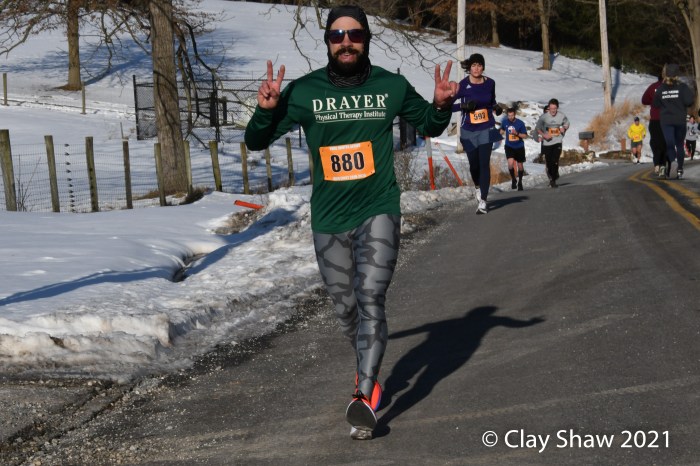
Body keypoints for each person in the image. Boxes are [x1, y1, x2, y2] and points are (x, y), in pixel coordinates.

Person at [244, 5, 458, 440]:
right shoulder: (304, 91)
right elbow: (255, 140)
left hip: (378, 207)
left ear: (366, 40)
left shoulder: (391, 86)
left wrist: (441, 105)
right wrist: (265, 110)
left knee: (371, 297)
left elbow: (430, 124)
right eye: (337, 35)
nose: (346, 42)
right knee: (346, 310)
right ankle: (368, 370)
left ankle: (364, 394)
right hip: (328, 217)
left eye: (355, 34)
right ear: (327, 42)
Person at [452, 53, 503, 214]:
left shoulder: (490, 83)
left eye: (479, 65)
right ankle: (477, 186)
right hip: (468, 130)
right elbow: (448, 106)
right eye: (473, 65)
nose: (476, 68)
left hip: (486, 128)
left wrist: (496, 108)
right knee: (474, 165)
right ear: (469, 67)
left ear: (483, 67)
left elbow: (491, 101)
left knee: (484, 163)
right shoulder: (463, 85)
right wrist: (464, 106)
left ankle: (483, 201)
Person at [653, 63, 694, 179]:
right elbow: (689, 101)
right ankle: (680, 169)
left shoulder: (661, 88)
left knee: (670, 144)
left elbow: (655, 104)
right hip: (680, 120)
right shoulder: (683, 87)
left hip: (666, 121)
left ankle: (673, 161)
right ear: (677, 74)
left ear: (666, 74)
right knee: (679, 145)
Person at [535, 98, 570, 188]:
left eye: (554, 108)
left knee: (555, 160)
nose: (553, 110)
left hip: (557, 141)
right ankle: (552, 176)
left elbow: (567, 124)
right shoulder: (544, 117)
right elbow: (538, 128)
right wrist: (544, 135)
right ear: (549, 108)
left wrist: (564, 128)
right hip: (547, 143)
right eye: (551, 108)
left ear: (557, 108)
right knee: (549, 162)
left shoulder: (561, 116)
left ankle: (553, 179)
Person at [642, 71, 668, 177]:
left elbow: (644, 100)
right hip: (667, 120)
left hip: (655, 120)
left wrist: (653, 101)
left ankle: (657, 164)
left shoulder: (653, 87)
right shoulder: (670, 87)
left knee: (655, 143)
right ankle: (663, 165)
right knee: (665, 143)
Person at [499, 107, 528, 190]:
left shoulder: (520, 123)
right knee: (510, 164)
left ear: (515, 115)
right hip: (509, 146)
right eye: (509, 115)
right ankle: (513, 179)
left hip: (519, 146)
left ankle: (520, 182)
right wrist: (499, 133)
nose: (510, 117)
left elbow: (525, 135)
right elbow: (502, 130)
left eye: (512, 115)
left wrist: (517, 133)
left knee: (520, 166)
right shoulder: (505, 122)